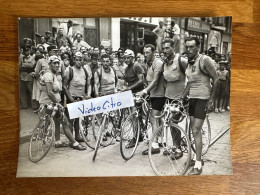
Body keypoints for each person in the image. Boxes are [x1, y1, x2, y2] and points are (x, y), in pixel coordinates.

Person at [182, 37, 219, 175]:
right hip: (192, 98)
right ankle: (195, 158)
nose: (189, 50)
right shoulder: (188, 62)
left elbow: (216, 80)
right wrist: (182, 97)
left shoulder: (204, 60)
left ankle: (198, 164)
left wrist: (211, 100)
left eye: (192, 47)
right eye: (187, 47)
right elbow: (190, 82)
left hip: (203, 99)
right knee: (193, 129)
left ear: (198, 47)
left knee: (196, 130)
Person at [39, 55, 86, 150]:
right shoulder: (48, 75)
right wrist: (58, 104)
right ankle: (74, 143)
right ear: (49, 64)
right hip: (49, 104)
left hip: (55, 103)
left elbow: (60, 88)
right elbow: (50, 92)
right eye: (54, 63)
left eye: (58, 63)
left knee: (57, 122)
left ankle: (57, 141)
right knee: (64, 122)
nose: (57, 65)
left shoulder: (56, 75)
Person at [161, 39, 188, 159]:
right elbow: (164, 80)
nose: (165, 50)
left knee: (173, 122)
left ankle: (179, 149)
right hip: (168, 97)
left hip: (179, 98)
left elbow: (192, 79)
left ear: (174, 47)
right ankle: (174, 145)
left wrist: (184, 96)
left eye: (167, 48)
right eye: (164, 48)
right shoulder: (165, 63)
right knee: (169, 122)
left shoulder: (181, 61)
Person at [137, 44, 165, 155]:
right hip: (153, 95)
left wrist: (144, 91)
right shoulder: (149, 64)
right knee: (158, 119)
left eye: (148, 52)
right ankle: (161, 140)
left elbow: (155, 81)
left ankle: (155, 146)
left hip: (159, 95)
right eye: (144, 52)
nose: (146, 54)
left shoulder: (157, 62)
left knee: (153, 119)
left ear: (153, 52)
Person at [63, 52, 92, 142]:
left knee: (78, 118)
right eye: (77, 60)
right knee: (71, 119)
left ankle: (77, 136)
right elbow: (64, 86)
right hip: (72, 97)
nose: (79, 61)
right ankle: (72, 141)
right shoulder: (69, 70)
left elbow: (89, 84)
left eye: (81, 59)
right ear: (74, 60)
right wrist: (70, 99)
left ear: (83, 60)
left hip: (81, 97)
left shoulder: (85, 71)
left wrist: (88, 95)